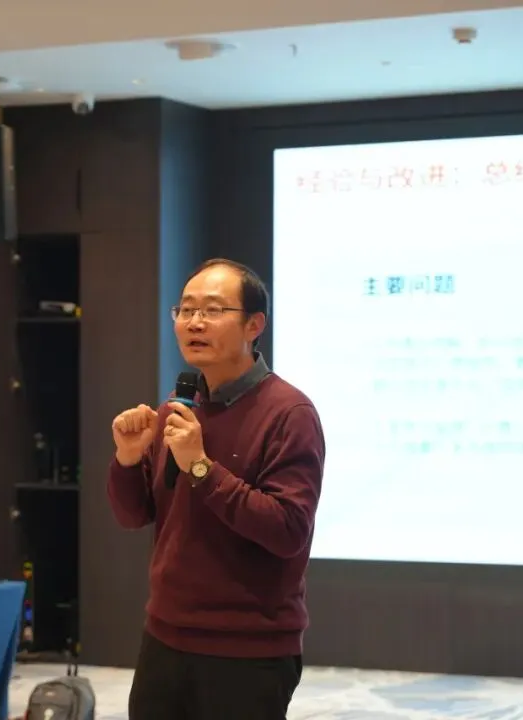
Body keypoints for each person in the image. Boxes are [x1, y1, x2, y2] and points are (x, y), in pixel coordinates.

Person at [107, 258, 326, 720]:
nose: (194, 323)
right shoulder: (177, 409)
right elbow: (133, 515)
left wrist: (202, 468)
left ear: (254, 325)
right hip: (165, 636)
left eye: (211, 310)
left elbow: (288, 530)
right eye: (185, 310)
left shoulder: (290, 414)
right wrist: (127, 459)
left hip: (248, 649)